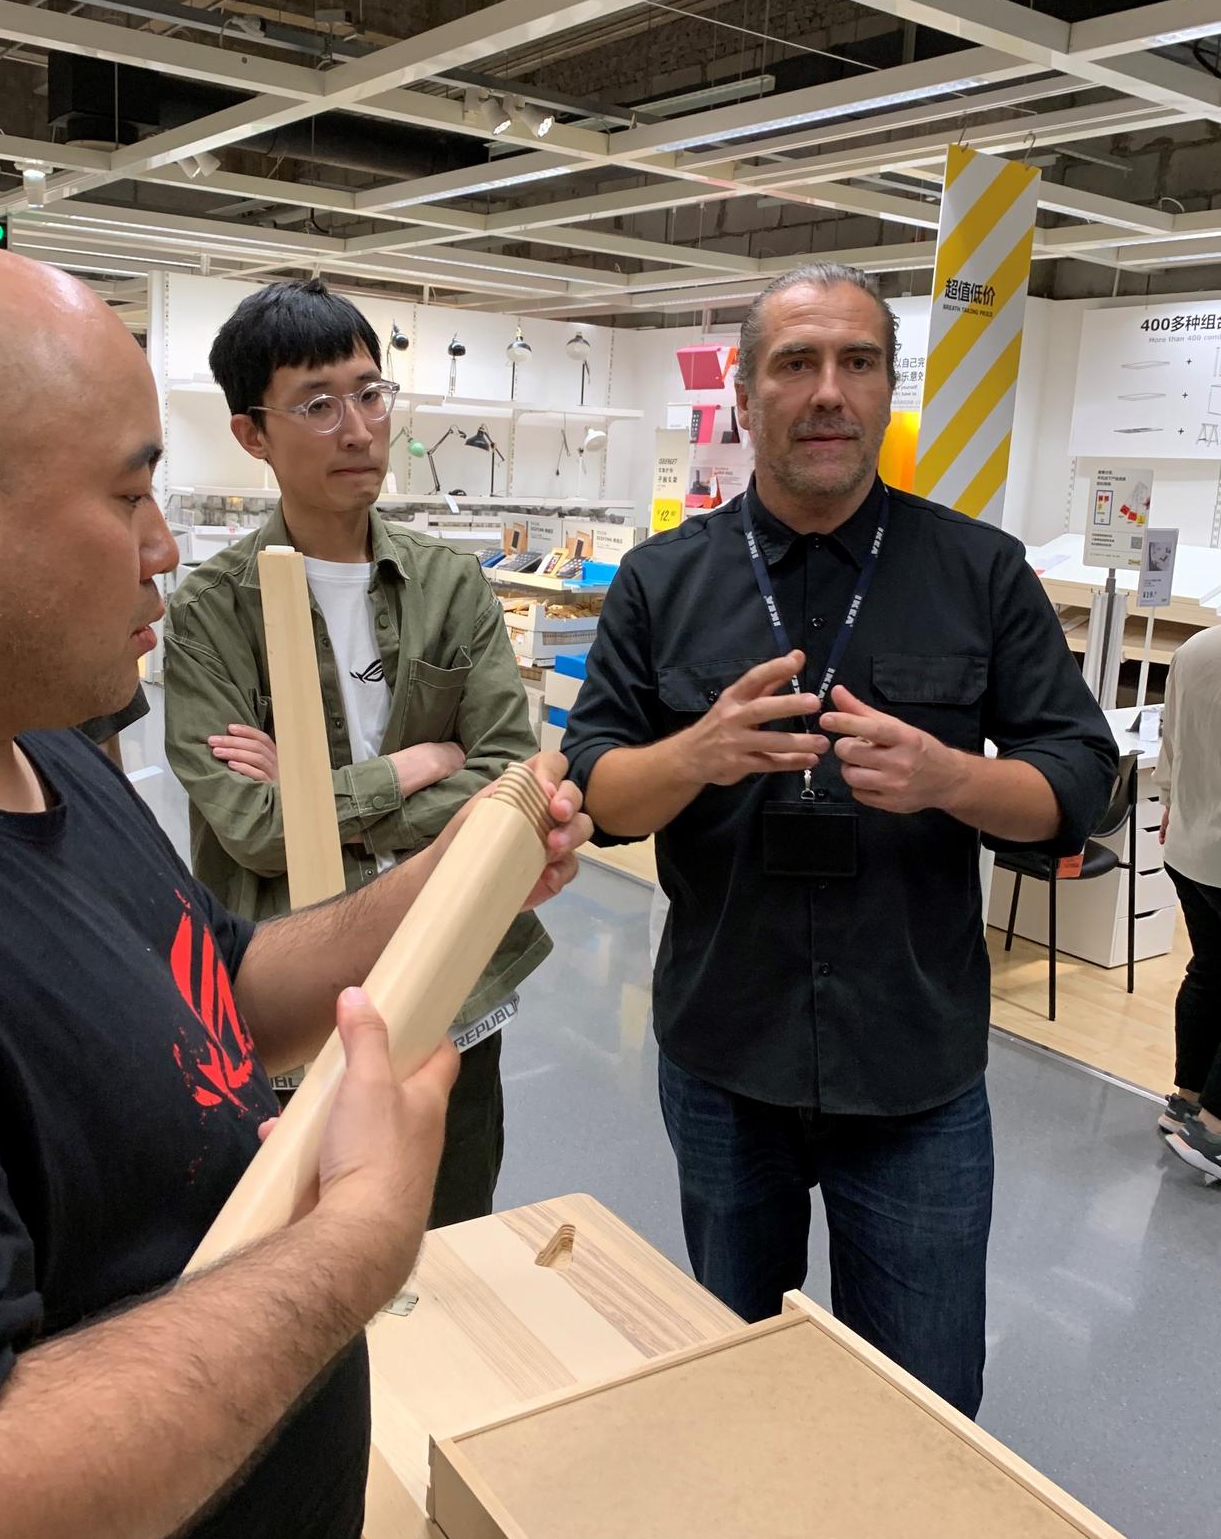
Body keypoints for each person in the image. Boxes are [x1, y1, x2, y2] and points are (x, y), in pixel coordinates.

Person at [0, 242, 587, 1539]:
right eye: (128, 495)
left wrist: (436, 885)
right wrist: (351, 1241)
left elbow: (206, 991)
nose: (168, 545)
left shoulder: (42, 744)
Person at [562, 261, 1117, 1417]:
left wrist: (951, 778)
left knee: (921, 1408)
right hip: (723, 1055)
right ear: (743, 395)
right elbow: (594, 788)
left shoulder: (978, 572)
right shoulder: (664, 582)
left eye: (856, 363)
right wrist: (697, 755)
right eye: (796, 364)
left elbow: (1074, 784)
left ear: (885, 387)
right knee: (733, 1375)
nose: (828, 392)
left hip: (913, 1071)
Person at [163, 279, 550, 1226]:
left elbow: (509, 780)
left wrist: (323, 796)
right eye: (318, 404)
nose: (358, 427)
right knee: (299, 1255)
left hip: (453, 973)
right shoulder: (211, 615)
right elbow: (252, 831)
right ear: (253, 433)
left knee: (450, 1247)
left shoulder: (451, 584)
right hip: (290, 993)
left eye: (371, 394)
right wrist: (417, 768)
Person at [1156, 625, 1221, 1181]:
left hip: (1188, 847)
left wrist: (1170, 801)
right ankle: (1215, 1135)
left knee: (1209, 972)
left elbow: (1169, 740)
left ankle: (1186, 1099)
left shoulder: (1196, 647)